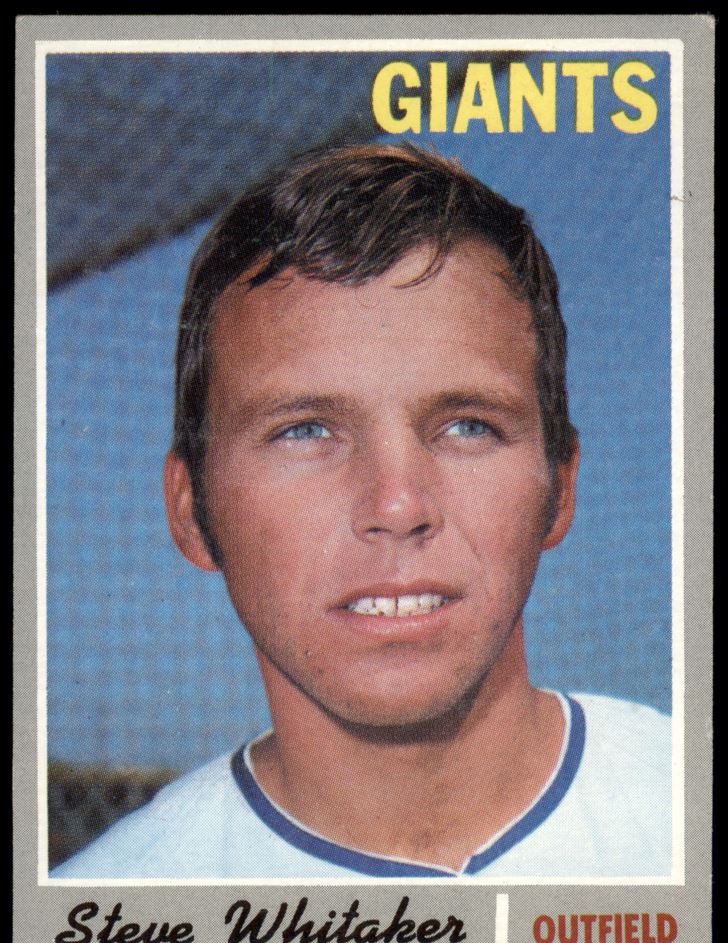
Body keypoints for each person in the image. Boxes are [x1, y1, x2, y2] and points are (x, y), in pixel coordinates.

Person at [53, 143, 670, 878]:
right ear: (192, 513)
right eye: (304, 431)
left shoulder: (680, 807)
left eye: (468, 426)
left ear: (561, 488)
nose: (397, 504)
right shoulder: (104, 908)